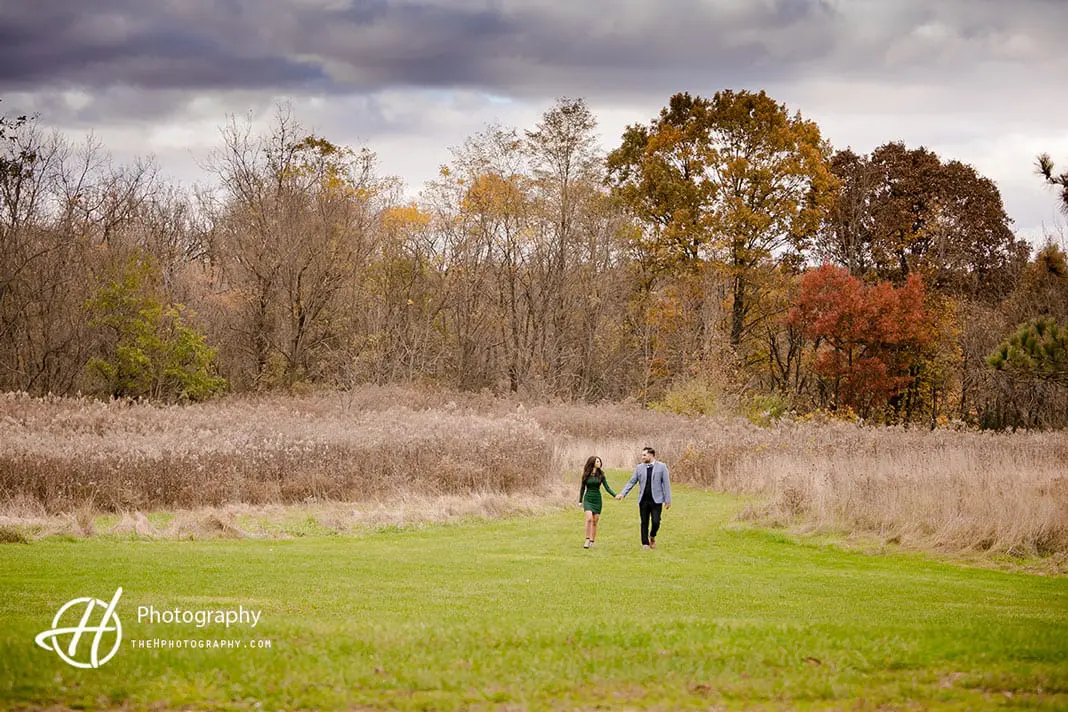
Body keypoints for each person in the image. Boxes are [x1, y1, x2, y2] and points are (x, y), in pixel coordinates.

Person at [616, 446, 671, 549]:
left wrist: (668, 500)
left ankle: (652, 535)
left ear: (651, 455)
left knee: (656, 521)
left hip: (656, 500)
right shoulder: (639, 468)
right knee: (644, 522)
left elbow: (666, 484)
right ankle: (645, 543)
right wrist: (623, 493)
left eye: (644, 455)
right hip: (643, 500)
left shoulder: (662, 467)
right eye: (642, 455)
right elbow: (632, 481)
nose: (642, 457)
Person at [579, 456, 616, 549]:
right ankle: (587, 539)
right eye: (597, 461)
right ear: (593, 463)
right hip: (588, 498)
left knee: (595, 521)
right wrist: (580, 500)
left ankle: (592, 541)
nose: (599, 463)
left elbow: (607, 487)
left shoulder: (601, 475)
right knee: (589, 519)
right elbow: (582, 488)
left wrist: (615, 495)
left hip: (597, 499)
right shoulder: (586, 474)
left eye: (599, 461)